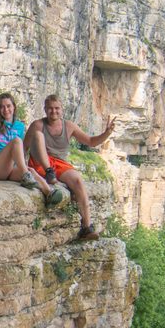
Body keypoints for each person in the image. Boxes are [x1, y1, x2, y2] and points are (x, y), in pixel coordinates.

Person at [25, 94, 115, 240]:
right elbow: (24, 147)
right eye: (50, 109)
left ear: (62, 109)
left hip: (59, 164)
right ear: (45, 109)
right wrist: (20, 169)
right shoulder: (38, 125)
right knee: (38, 135)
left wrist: (107, 133)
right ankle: (49, 173)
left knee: (78, 181)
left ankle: (86, 227)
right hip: (40, 163)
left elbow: (91, 142)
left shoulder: (69, 126)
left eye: (57, 108)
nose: (53, 112)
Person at [0, 93, 54, 203]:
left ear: (14, 107)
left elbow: (19, 153)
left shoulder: (20, 126)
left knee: (32, 171)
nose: (5, 109)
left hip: (10, 168)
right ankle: (25, 175)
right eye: (2, 107)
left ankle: (49, 193)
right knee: (17, 142)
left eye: (8, 106)